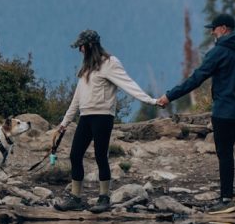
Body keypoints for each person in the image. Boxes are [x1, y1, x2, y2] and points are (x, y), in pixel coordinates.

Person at [157, 13, 235, 209]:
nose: (212, 32)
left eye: (214, 28)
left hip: (224, 113)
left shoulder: (218, 52)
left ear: (224, 29)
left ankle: (226, 200)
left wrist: (170, 96)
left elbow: (196, 79)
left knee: (225, 154)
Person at [53, 29, 158, 212]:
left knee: (101, 155)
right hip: (85, 117)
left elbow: (128, 84)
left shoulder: (110, 63)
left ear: (90, 45)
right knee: (75, 155)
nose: (80, 50)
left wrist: (151, 101)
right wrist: (64, 124)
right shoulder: (85, 68)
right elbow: (76, 99)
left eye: (81, 46)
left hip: (103, 116)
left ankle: (104, 198)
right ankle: (76, 198)